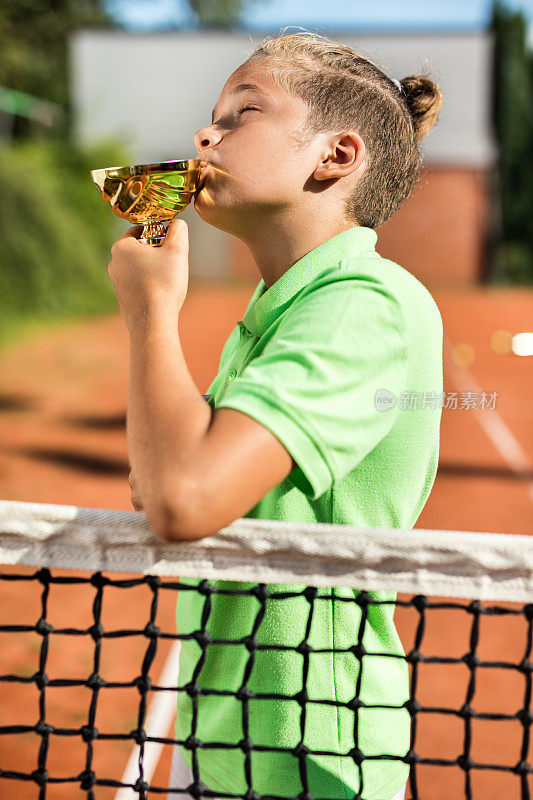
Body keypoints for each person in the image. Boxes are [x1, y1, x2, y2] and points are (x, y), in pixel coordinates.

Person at [119, 26, 444, 800]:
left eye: (242, 113)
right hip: (226, 735)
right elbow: (159, 478)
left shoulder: (362, 305)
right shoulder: (280, 310)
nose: (206, 134)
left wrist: (150, 312)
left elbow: (179, 498)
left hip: (305, 756)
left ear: (335, 156)